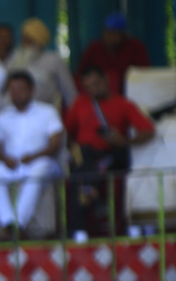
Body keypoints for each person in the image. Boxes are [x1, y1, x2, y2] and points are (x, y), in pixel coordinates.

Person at [65, 64, 155, 237]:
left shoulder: (124, 104)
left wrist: (124, 141)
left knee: (81, 174)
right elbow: (66, 131)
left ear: (106, 80)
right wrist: (73, 148)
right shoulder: (80, 103)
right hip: (84, 155)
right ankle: (92, 202)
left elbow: (148, 130)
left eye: (96, 84)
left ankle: (81, 226)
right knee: (81, 162)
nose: (93, 89)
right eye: (88, 87)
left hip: (112, 154)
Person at [0, 71, 64, 236]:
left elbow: (55, 143)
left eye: (21, 89)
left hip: (41, 161)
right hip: (13, 163)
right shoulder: (3, 116)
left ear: (31, 90)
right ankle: (7, 221)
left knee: (36, 174)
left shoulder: (47, 111)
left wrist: (34, 157)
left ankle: (18, 223)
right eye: (13, 90)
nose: (16, 94)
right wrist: (4, 158)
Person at [1, 18, 77, 112]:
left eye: (29, 40)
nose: (25, 43)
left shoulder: (54, 61)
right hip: (16, 115)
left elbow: (70, 95)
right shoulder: (14, 60)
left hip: (46, 115)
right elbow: (4, 91)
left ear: (38, 41)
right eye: (23, 39)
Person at [75, 12, 151, 97]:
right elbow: (82, 74)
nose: (110, 36)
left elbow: (144, 75)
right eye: (108, 32)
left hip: (129, 95)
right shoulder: (94, 48)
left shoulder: (135, 47)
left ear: (123, 34)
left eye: (115, 33)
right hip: (98, 97)